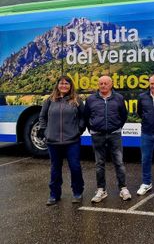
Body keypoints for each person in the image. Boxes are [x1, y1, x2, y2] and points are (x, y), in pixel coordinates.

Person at [39, 75, 85, 206]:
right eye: (61, 83)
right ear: (57, 85)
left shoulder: (76, 100)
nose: (64, 86)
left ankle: (77, 193)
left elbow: (83, 117)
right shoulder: (50, 100)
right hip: (52, 141)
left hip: (72, 141)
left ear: (71, 86)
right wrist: (46, 132)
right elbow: (42, 117)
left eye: (66, 84)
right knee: (55, 169)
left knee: (75, 167)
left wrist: (78, 130)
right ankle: (54, 195)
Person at [84, 75, 131, 203]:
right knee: (99, 164)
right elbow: (86, 116)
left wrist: (116, 127)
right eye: (101, 83)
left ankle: (123, 188)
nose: (103, 85)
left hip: (114, 134)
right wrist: (93, 129)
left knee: (119, 162)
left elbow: (123, 115)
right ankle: (101, 190)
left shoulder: (119, 98)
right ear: (98, 85)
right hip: (97, 135)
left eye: (106, 83)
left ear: (111, 84)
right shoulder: (91, 99)